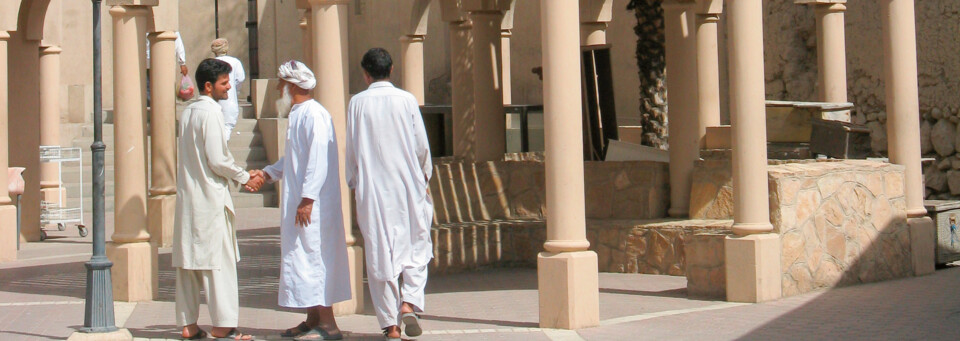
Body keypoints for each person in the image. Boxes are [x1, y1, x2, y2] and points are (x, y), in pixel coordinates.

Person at [246, 60, 350, 341]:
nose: (279, 87)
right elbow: (294, 160)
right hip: (303, 202)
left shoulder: (314, 115)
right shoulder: (298, 113)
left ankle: (328, 324)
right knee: (303, 258)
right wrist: (268, 173)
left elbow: (317, 161)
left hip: (312, 206)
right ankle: (312, 317)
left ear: (292, 86)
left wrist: (307, 198)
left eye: (282, 83)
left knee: (315, 258)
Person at [345, 48, 433, 341]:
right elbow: (421, 144)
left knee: (380, 252)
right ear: (391, 69)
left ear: (366, 73)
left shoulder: (357, 103)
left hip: (373, 190)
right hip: (407, 185)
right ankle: (409, 301)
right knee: (417, 246)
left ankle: (390, 325)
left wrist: (354, 181)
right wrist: (425, 175)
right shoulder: (406, 100)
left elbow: (352, 148)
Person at [173, 58, 263, 341]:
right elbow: (217, 159)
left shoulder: (188, 112)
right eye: (224, 83)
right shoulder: (210, 113)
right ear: (209, 86)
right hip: (210, 199)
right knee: (217, 264)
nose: (228, 88)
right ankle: (223, 326)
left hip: (189, 199)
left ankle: (189, 325)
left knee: (188, 264)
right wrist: (244, 176)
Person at [211, 38, 246, 140]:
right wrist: (234, 89)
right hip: (229, 101)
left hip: (213, 101)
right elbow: (240, 78)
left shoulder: (211, 63)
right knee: (226, 127)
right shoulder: (235, 62)